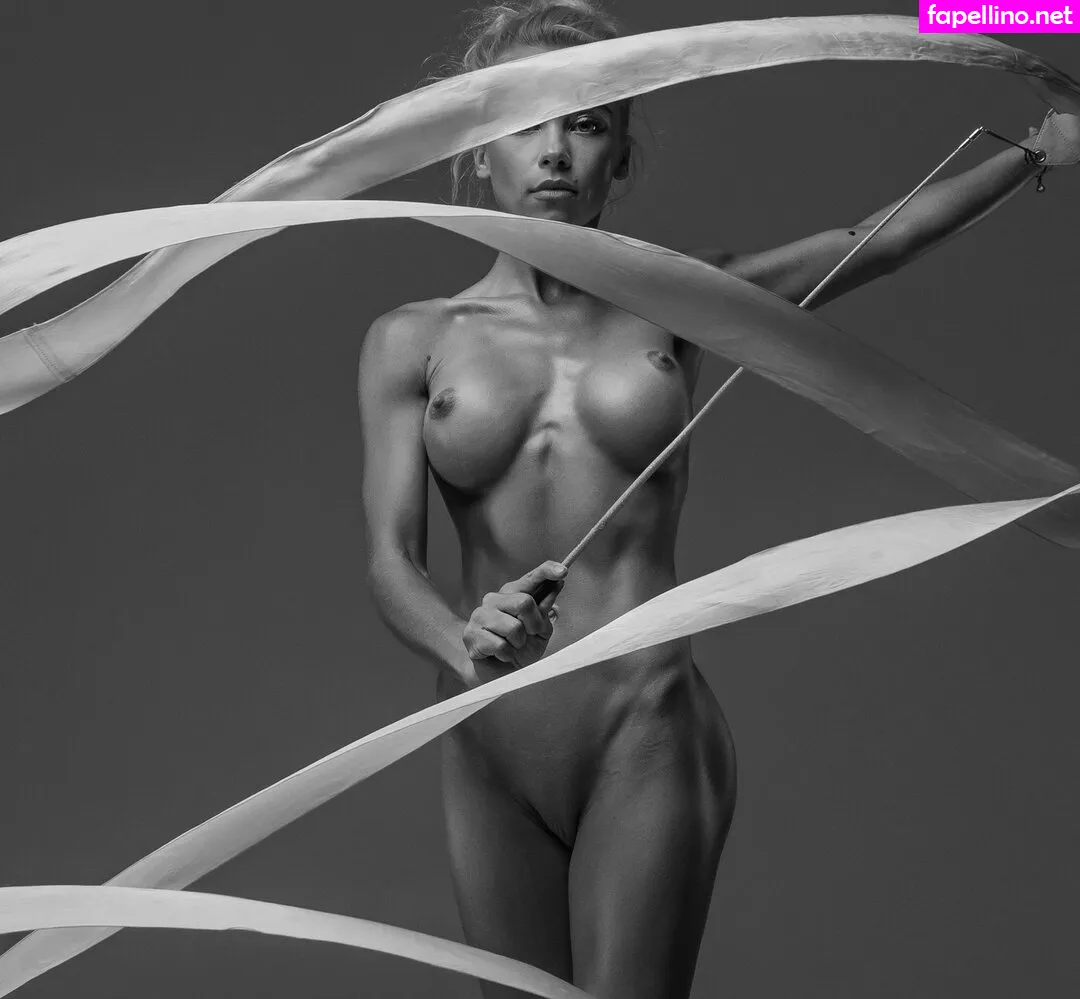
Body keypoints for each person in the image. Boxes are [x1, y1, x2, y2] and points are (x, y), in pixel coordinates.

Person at [358, 3, 1077, 997]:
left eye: (588, 124)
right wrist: (461, 640)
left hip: (642, 727)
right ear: (480, 150)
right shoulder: (411, 339)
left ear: (620, 157)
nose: (556, 151)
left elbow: (872, 242)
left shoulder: (680, 301)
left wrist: (1040, 148)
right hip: (487, 742)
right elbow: (390, 559)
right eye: (526, 122)